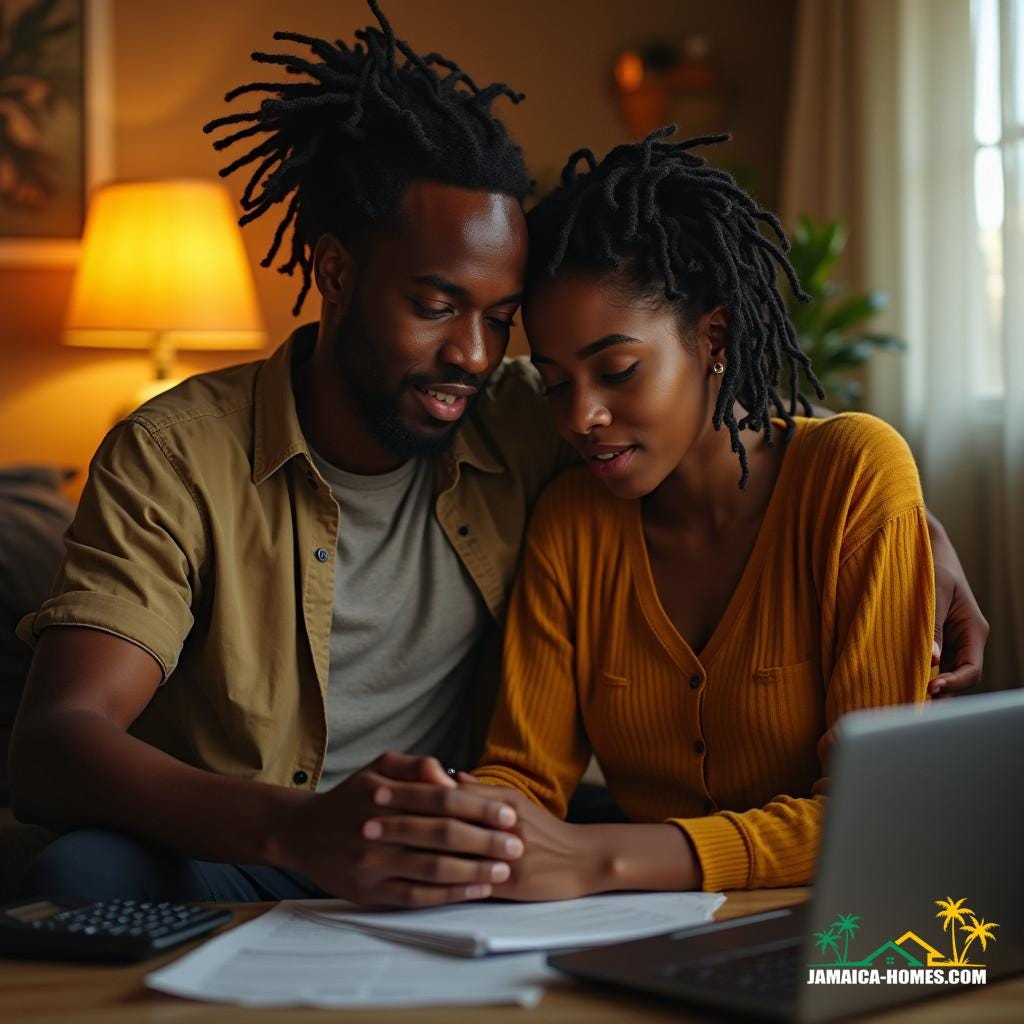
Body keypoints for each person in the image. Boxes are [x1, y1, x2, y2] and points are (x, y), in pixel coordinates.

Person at [9, 4, 984, 905]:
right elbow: (55, 742)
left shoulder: (522, 412)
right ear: (336, 272)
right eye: (435, 306)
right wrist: (300, 828)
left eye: (498, 320)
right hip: (249, 837)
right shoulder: (177, 453)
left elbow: (714, 421)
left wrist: (900, 529)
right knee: (76, 876)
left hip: (450, 838)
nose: (474, 357)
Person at [431, 128, 941, 898]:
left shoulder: (853, 477)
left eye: (617, 370)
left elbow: (875, 813)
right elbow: (525, 776)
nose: (582, 417)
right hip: (642, 931)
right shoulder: (573, 521)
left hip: (843, 929)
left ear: (715, 337)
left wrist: (597, 860)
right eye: (556, 382)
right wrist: (458, 819)